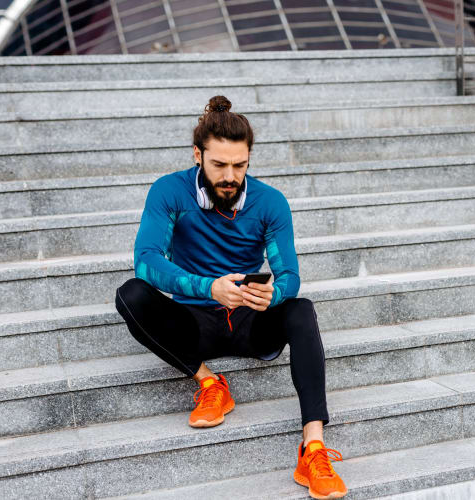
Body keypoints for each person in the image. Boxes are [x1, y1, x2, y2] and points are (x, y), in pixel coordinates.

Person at [115, 95, 348, 499]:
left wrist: (272, 296)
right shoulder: (169, 192)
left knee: (301, 310)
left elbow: (290, 275)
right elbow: (147, 261)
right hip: (195, 322)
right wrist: (208, 287)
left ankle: (312, 448)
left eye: (239, 165)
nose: (229, 175)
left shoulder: (269, 202)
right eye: (219, 164)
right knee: (130, 295)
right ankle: (209, 382)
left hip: (249, 320)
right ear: (197, 155)